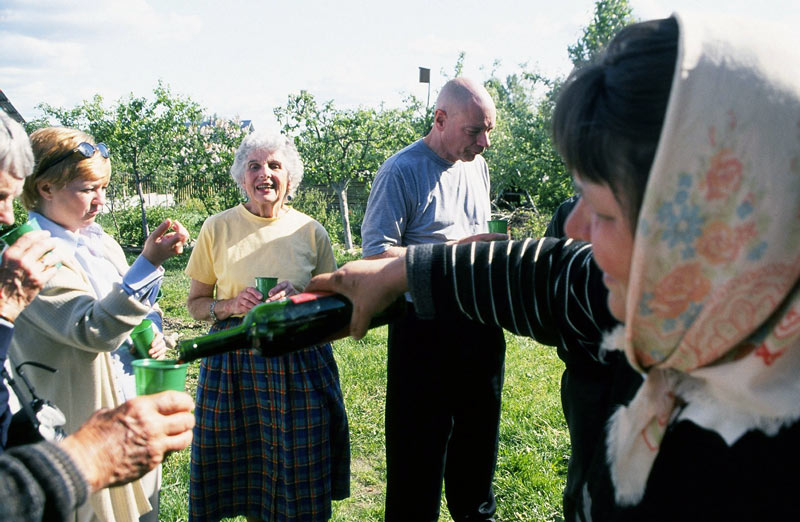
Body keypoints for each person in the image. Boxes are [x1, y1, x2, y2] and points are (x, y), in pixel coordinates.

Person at [308, 13, 800, 521]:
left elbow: (553, 270)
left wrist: (440, 262)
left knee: (476, 442)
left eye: (603, 210)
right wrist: (418, 268)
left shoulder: (759, 458)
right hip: (425, 327)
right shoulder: (671, 307)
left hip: (475, 325)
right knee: (421, 447)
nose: (575, 228)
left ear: (720, 216)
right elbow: (550, 274)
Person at [0, 111, 194, 522]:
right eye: (88, 188)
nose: (100, 200)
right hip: (80, 422)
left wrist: (154, 330)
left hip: (124, 407)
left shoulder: (100, 243)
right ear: (46, 187)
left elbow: (139, 308)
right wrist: (149, 262)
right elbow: (94, 328)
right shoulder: (33, 256)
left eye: (103, 187)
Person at [360, 76, 507, 521]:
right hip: (423, 331)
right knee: (416, 465)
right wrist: (455, 255)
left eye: (488, 132)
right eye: (473, 132)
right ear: (439, 119)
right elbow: (375, 255)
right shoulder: (401, 171)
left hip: (480, 323)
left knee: (478, 452)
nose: (483, 143)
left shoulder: (475, 164)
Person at [185, 129, 349, 522]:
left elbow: (338, 304)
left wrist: (302, 298)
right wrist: (228, 305)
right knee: (239, 466)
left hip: (300, 358)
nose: (265, 174)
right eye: (254, 166)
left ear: (289, 178)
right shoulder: (217, 227)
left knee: (301, 468)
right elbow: (195, 304)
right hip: (234, 360)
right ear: (242, 177)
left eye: (275, 165)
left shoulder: (311, 232)